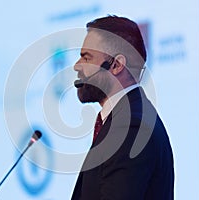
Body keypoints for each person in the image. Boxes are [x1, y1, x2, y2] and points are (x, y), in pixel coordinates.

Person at [71, 15, 174, 200]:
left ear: (116, 65)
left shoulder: (131, 127)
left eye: (86, 58)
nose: (76, 66)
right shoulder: (126, 119)